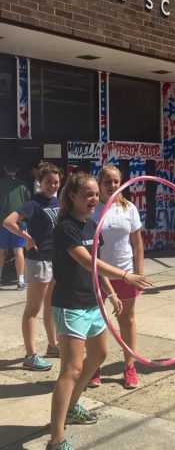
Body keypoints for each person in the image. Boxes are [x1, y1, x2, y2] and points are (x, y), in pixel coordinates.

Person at [47, 173, 152, 450]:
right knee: (71, 368)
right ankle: (56, 439)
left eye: (95, 194)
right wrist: (125, 276)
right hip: (70, 305)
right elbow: (87, 261)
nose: (94, 199)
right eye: (87, 195)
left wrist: (111, 292)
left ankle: (71, 408)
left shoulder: (92, 224)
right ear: (72, 196)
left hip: (92, 301)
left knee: (99, 355)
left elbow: (97, 263)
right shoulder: (66, 227)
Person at [88, 165, 145, 389]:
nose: (112, 185)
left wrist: (139, 273)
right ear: (99, 183)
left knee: (127, 320)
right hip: (97, 274)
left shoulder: (128, 208)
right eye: (107, 181)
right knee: (96, 322)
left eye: (116, 181)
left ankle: (129, 365)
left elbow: (137, 243)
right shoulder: (91, 208)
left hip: (125, 273)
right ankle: (94, 366)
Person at [3, 163, 61, 371]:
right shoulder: (33, 203)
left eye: (56, 182)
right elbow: (9, 222)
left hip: (55, 260)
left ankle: (53, 346)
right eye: (48, 182)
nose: (52, 185)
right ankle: (30, 356)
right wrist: (26, 237)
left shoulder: (58, 202)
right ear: (40, 182)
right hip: (38, 261)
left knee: (51, 306)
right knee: (33, 309)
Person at [0, 160, 31, 289]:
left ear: (5, 169)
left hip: (2, 222)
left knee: (1, 251)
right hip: (19, 223)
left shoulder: (1, 183)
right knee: (19, 250)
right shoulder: (23, 185)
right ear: (17, 169)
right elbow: (29, 203)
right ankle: (21, 281)